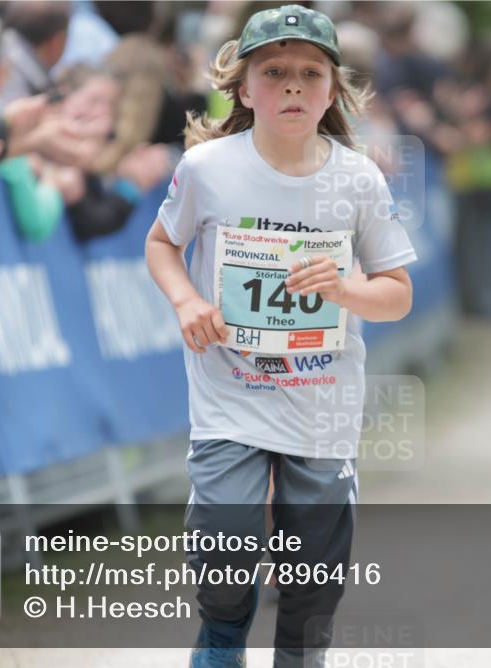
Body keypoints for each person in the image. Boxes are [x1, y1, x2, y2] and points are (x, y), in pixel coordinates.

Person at [145, 5, 416, 666]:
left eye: (310, 73)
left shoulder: (358, 178)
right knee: (226, 548)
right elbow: (161, 243)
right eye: (273, 72)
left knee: (313, 575)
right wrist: (186, 301)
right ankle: (222, 642)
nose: (293, 85)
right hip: (230, 395)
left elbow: (397, 294)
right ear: (242, 89)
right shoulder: (208, 168)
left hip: (321, 403)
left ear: (332, 91)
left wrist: (344, 290)